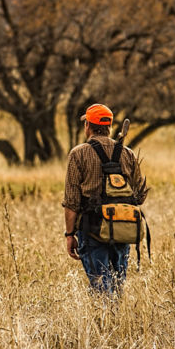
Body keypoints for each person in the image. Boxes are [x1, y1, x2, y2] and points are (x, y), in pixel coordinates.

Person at [62, 103, 148, 294]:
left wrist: (69, 235)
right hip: (123, 227)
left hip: (92, 229)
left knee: (101, 285)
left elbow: (72, 201)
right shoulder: (128, 154)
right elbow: (139, 196)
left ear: (88, 126)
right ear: (109, 127)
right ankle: (116, 322)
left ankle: (107, 322)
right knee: (117, 286)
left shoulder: (78, 154)